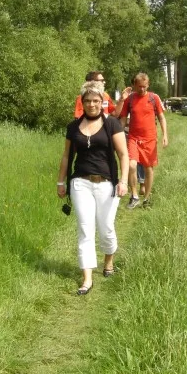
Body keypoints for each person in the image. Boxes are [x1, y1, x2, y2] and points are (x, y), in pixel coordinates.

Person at [57, 81, 129, 295]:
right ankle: (87, 278)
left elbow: (123, 154)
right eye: (87, 101)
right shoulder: (73, 127)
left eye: (95, 100)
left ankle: (108, 260)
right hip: (80, 183)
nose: (91, 104)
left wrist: (124, 181)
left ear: (102, 102)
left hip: (107, 183)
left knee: (106, 228)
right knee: (85, 229)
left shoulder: (112, 124)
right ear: (82, 102)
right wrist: (61, 182)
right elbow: (66, 156)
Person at [119, 72, 168, 209]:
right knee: (131, 165)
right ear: (134, 85)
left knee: (148, 168)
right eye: (139, 86)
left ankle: (146, 198)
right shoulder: (130, 100)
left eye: (144, 86)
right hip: (133, 138)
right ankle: (134, 196)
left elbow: (161, 117)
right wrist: (119, 135)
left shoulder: (154, 98)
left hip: (149, 139)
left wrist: (165, 135)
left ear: (148, 85)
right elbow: (123, 119)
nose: (142, 89)